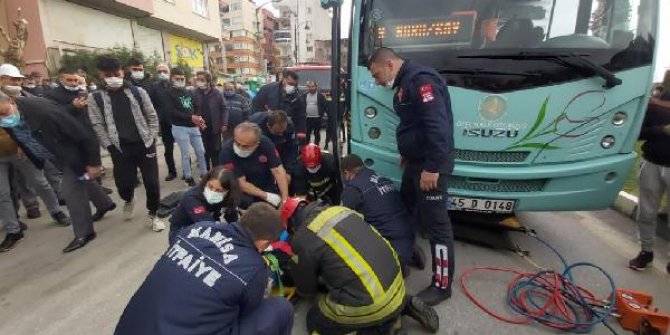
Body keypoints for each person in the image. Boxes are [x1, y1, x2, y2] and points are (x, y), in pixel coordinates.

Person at [114, 203, 294, 335]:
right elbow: (248, 312)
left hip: (130, 328)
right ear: (263, 243)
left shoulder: (196, 228)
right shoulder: (253, 268)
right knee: (281, 308)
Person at [368, 47, 456, 305]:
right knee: (405, 210)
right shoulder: (406, 82)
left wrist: (433, 167)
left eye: (377, 75)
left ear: (390, 65)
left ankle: (442, 285)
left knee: (437, 227)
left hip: (429, 167)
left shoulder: (421, 81)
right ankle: (408, 252)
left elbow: (437, 127)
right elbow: (413, 123)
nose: (377, 81)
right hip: (416, 163)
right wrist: (407, 153)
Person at [281, 198, 439, 334]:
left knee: (315, 320)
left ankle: (384, 328)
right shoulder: (340, 210)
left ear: (291, 225)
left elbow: (307, 290)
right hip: (396, 283)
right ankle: (405, 304)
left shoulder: (303, 237)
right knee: (362, 282)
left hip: (372, 302)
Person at [0, 91, 103, 252]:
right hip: (52, 153)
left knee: (70, 191)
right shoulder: (11, 116)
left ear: (11, 102)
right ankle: (104, 204)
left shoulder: (44, 111)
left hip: (72, 151)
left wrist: (94, 163)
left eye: (3, 114)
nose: (3, 120)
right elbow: (19, 132)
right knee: (81, 178)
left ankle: (85, 233)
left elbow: (84, 135)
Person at [87, 54, 165, 232]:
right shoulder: (96, 98)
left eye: (116, 73)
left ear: (123, 72)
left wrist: (151, 137)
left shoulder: (138, 92)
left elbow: (152, 116)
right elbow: (97, 124)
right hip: (119, 147)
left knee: (152, 183)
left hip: (144, 144)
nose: (113, 78)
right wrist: (109, 145)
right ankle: (129, 199)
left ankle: (153, 215)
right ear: (101, 75)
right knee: (124, 185)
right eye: (108, 75)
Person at [45, 67, 117, 222]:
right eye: (69, 80)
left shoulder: (84, 93)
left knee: (77, 182)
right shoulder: (52, 96)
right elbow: (52, 117)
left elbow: (93, 119)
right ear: (60, 79)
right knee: (79, 178)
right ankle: (103, 204)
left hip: (87, 141)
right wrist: (72, 107)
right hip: (68, 145)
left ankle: (86, 227)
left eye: (75, 80)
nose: (73, 83)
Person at [341, 154, 425, 275]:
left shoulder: (353, 189)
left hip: (390, 251)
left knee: (350, 232)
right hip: (408, 236)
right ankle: (408, 252)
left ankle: (397, 265)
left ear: (347, 172)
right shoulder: (380, 177)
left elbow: (340, 218)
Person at [629, 91, 670, 274]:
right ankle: (646, 252)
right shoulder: (659, 102)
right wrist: (662, 130)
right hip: (652, 162)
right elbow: (638, 132)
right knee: (646, 211)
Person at [219, 122, 289, 209]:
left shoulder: (265, 144)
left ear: (257, 143)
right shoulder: (227, 152)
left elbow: (278, 170)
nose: (240, 148)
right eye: (237, 143)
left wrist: (285, 200)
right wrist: (265, 195)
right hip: (242, 191)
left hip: (265, 183)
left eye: (245, 146)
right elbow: (240, 182)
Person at [168, 166, 241, 244]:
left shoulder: (228, 197)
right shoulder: (192, 198)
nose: (213, 192)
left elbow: (233, 219)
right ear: (206, 181)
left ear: (227, 191)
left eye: (218, 190)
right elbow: (207, 225)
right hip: (182, 232)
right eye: (210, 186)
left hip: (208, 227)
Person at [167, 67, 207, 186]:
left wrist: (198, 118)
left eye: (182, 78)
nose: (180, 80)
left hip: (194, 126)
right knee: (186, 154)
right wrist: (191, 118)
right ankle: (188, 177)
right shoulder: (168, 93)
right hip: (180, 127)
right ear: (172, 78)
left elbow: (197, 106)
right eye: (177, 78)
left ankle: (204, 174)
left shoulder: (189, 91)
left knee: (201, 151)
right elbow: (170, 111)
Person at [251, 70, 306, 139]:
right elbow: (255, 107)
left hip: (287, 130)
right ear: (283, 80)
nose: (293, 87)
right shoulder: (267, 90)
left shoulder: (298, 96)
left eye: (295, 85)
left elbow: (301, 115)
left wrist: (301, 132)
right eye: (290, 84)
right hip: (266, 129)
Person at [248, 110, 298, 181]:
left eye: (283, 131)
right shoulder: (255, 125)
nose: (281, 134)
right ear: (268, 125)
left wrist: (288, 171)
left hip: (281, 148)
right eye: (278, 132)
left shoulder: (289, 126)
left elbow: (292, 150)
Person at [193, 71, 228, 170]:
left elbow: (224, 108)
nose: (199, 81)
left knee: (216, 150)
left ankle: (216, 172)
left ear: (208, 81)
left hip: (214, 127)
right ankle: (205, 172)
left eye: (202, 80)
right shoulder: (195, 93)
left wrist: (224, 123)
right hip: (200, 127)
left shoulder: (217, 93)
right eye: (198, 79)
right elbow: (191, 109)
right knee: (203, 151)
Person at [148, 64, 177, 181]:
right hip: (164, 123)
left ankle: (187, 171)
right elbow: (152, 105)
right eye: (159, 71)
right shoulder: (154, 88)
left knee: (184, 148)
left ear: (169, 72)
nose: (162, 73)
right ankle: (172, 171)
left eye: (164, 71)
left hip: (178, 121)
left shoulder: (175, 85)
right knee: (168, 149)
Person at [304, 81, 328, 146]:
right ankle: (307, 146)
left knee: (316, 133)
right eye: (309, 87)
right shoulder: (305, 95)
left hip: (317, 118)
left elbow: (325, 105)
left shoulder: (320, 96)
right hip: (308, 118)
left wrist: (325, 114)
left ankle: (316, 146)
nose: (311, 88)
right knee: (307, 133)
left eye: (312, 86)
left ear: (316, 87)